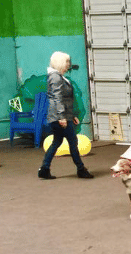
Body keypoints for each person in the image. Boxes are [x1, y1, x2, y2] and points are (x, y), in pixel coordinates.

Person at [38, 51, 93, 180]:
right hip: (59, 117)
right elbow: (57, 98)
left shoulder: (57, 76)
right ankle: (81, 169)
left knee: (57, 141)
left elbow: (64, 99)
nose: (69, 64)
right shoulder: (56, 77)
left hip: (59, 116)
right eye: (67, 62)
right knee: (72, 141)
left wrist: (71, 115)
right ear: (60, 62)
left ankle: (44, 169)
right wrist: (62, 117)